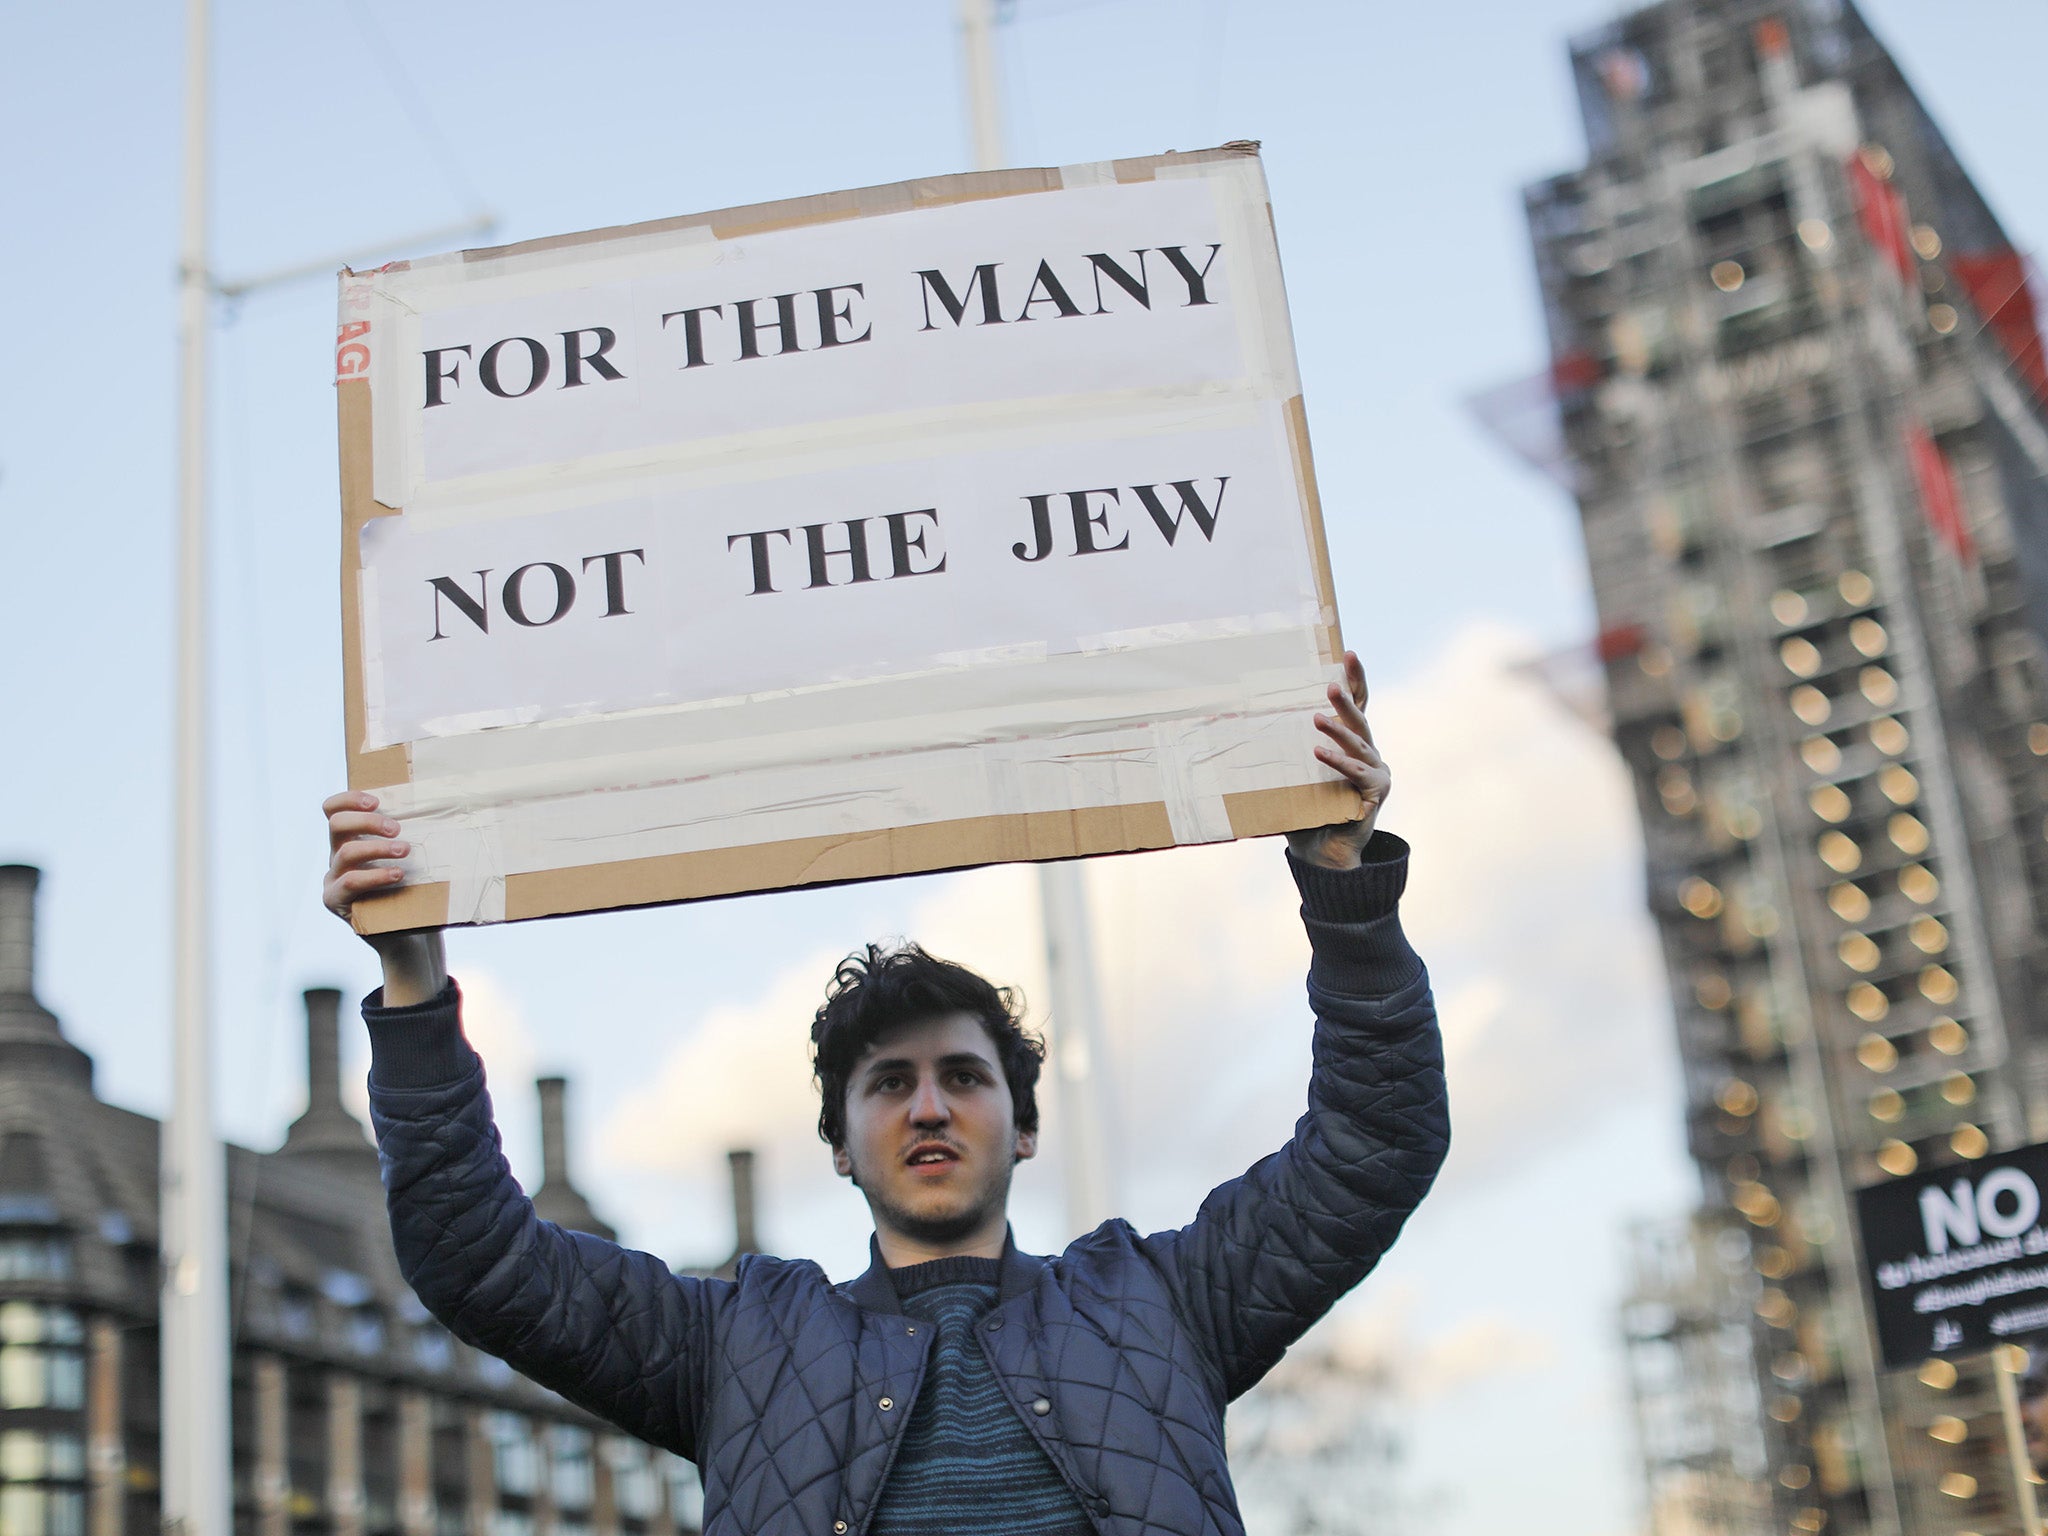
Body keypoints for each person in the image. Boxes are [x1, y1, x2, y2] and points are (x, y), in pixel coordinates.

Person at [322, 652, 1448, 1536]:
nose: (926, 1108)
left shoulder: (1161, 1304)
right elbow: (476, 1257)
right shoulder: (738, 1346)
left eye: (964, 1077)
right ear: (840, 1146)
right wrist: (413, 981)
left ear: (1022, 1128)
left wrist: (1344, 885)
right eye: (888, 1084)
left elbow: (1375, 1138)